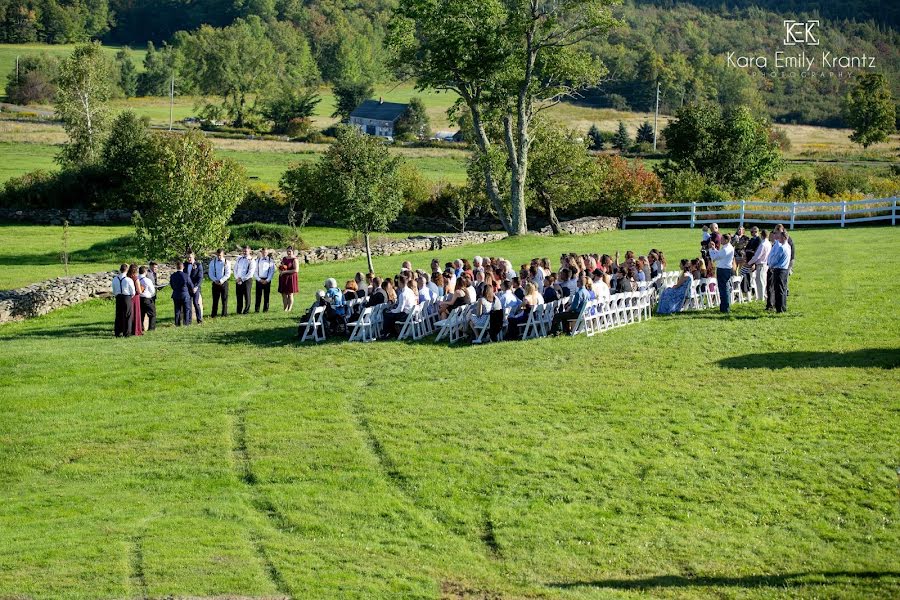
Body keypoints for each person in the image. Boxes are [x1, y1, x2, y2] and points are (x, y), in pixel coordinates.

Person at [708, 233, 735, 313]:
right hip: (725, 269)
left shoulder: (726, 249)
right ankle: (724, 307)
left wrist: (710, 249)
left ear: (726, 240)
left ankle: (725, 308)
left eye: (722, 239)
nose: (720, 240)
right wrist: (714, 248)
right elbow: (719, 255)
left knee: (723, 290)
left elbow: (715, 257)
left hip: (723, 270)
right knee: (724, 289)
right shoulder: (727, 248)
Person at [767, 230, 792, 313]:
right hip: (785, 269)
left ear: (784, 238)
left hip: (779, 270)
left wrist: (771, 265)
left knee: (778, 290)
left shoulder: (782, 247)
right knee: (783, 289)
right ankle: (783, 306)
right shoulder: (788, 246)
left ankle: (779, 308)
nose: (779, 239)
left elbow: (776, 259)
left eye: (780, 237)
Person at [746, 229, 771, 301]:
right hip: (766, 263)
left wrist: (749, 263)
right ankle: (763, 296)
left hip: (761, 264)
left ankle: (761, 298)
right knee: (763, 281)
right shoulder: (768, 243)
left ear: (762, 235)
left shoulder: (762, 244)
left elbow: (757, 256)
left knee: (760, 282)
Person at [112, 263, 135, 337]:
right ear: (127, 270)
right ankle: (127, 332)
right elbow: (133, 291)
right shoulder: (128, 280)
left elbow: (114, 289)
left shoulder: (115, 279)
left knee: (118, 314)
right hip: (126, 297)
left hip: (118, 297)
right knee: (127, 315)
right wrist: (131, 295)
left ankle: (117, 332)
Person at [208, 249, 231, 317]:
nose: (219, 257)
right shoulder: (213, 262)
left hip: (224, 282)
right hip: (215, 283)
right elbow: (210, 273)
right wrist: (215, 280)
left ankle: (224, 313)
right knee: (215, 299)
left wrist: (221, 280)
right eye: (217, 255)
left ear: (223, 254)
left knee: (224, 299)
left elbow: (228, 273)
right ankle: (214, 314)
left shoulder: (227, 262)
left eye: (220, 255)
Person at [234, 245, 256, 315]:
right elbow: (235, 269)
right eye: (243, 251)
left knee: (247, 295)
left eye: (246, 251)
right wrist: (237, 278)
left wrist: (242, 279)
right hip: (238, 280)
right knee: (239, 296)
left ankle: (246, 310)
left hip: (247, 280)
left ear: (249, 251)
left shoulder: (252, 260)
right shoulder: (239, 259)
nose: (244, 252)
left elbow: (250, 272)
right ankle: (239, 311)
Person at [169, 260, 192, 326]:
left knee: (177, 310)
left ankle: (177, 323)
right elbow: (190, 284)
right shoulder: (186, 275)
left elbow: (171, 285)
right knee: (186, 310)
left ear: (176, 267)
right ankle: (186, 323)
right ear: (183, 267)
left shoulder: (173, 276)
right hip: (185, 294)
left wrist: (175, 289)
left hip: (176, 294)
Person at [278, 247, 299, 312]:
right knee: (283, 294)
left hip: (291, 278)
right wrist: (280, 270)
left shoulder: (294, 259)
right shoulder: (284, 258)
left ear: (293, 251)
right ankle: (285, 308)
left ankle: (289, 309)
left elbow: (296, 270)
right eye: (287, 251)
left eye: (290, 251)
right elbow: (281, 266)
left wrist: (285, 272)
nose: (288, 252)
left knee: (290, 294)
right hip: (283, 278)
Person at [126, 264, 144, 336]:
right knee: (136, 313)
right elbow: (139, 291)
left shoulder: (127, 277)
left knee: (130, 313)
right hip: (135, 297)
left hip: (128, 296)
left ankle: (129, 329)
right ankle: (136, 329)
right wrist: (142, 288)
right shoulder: (135, 278)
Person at [255, 248, 274, 312]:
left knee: (266, 295)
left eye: (265, 252)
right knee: (258, 295)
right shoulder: (257, 260)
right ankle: (257, 309)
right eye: (263, 252)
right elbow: (255, 271)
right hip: (259, 279)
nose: (264, 253)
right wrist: (259, 279)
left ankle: (266, 309)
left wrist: (267, 280)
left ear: (267, 253)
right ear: (261, 252)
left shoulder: (270, 261)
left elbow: (272, 271)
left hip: (267, 280)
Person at [138, 266, 156, 331]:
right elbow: (152, 291)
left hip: (139, 299)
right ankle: (151, 328)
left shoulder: (136, 279)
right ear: (145, 272)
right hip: (147, 298)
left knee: (141, 314)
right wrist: (150, 295)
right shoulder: (147, 280)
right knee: (152, 314)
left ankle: (141, 327)